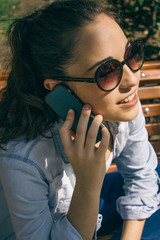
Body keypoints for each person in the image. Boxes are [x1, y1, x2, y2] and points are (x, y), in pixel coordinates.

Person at [0, 0, 160, 239]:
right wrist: (88, 181)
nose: (131, 80)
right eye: (107, 71)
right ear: (58, 89)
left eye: (132, 55)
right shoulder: (22, 159)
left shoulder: (122, 106)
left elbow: (142, 176)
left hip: (90, 204)